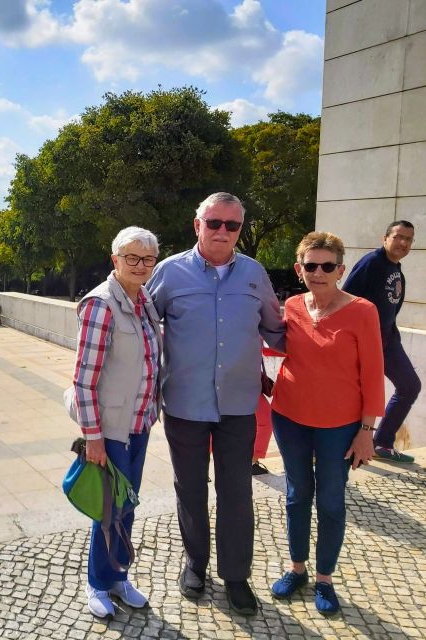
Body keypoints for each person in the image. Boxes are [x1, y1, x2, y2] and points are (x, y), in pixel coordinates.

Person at [146, 192, 285, 615]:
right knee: (189, 488)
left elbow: (278, 329)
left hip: (240, 404)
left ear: (240, 230)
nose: (223, 231)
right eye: (214, 223)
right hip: (185, 402)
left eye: (232, 225)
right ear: (197, 225)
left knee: (237, 491)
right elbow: (142, 327)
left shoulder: (254, 273)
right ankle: (196, 563)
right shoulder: (169, 272)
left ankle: (236, 576)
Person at [269, 231, 384, 614]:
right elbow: (274, 346)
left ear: (340, 270)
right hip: (289, 417)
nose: (318, 272)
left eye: (327, 266)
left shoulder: (363, 311)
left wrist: (367, 432)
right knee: (297, 493)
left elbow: (372, 374)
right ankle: (297, 568)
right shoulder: (293, 306)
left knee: (331, 500)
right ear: (300, 269)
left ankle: (324, 579)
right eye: (310, 265)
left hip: (340, 425)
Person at [69, 226, 162, 618]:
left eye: (147, 259)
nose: (140, 265)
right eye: (131, 258)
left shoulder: (144, 301)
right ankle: (98, 583)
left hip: (138, 424)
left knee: (127, 506)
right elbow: (84, 379)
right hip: (110, 430)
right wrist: (93, 438)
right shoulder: (101, 304)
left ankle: (119, 575)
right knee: (109, 509)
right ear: (115, 261)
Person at [342, 221, 420, 463]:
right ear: (385, 238)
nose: (403, 243)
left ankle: (382, 442)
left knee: (410, 386)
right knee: (354, 395)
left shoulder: (395, 268)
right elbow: (347, 298)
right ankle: (335, 447)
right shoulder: (371, 263)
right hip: (365, 341)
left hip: (387, 340)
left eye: (408, 239)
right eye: (398, 237)